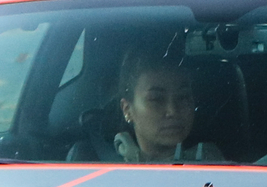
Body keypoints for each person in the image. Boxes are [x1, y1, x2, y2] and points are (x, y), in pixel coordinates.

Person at [87, 46, 224, 163]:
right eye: (156, 99)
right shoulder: (95, 167)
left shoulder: (213, 164)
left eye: (182, 97)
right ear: (127, 109)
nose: (172, 111)